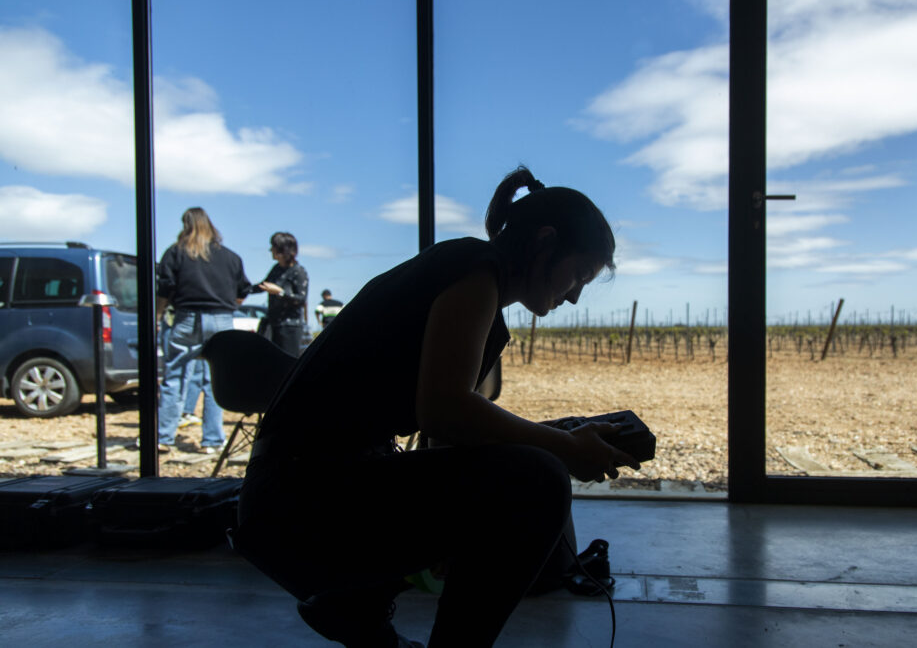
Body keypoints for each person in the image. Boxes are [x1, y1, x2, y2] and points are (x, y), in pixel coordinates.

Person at [234, 166, 639, 648]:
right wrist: (565, 448)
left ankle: (358, 602)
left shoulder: (475, 286)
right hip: (297, 505)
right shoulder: (474, 270)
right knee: (540, 481)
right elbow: (444, 410)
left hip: (295, 496)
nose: (573, 295)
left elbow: (450, 436)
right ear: (545, 242)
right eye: (577, 275)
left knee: (521, 481)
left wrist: (559, 443)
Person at [156, 208, 251, 454]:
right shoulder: (230, 257)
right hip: (221, 320)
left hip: (187, 318)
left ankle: (164, 438)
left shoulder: (176, 253)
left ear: (185, 225)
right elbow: (242, 291)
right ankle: (212, 440)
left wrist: (158, 316)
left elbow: (164, 289)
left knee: (175, 377)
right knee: (214, 381)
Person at [256, 232, 309, 357]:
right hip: (274, 325)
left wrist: (280, 292)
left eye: (273, 247)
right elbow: (263, 285)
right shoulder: (276, 269)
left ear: (283, 250)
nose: (270, 250)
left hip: (290, 328)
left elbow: (301, 299)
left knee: (287, 363)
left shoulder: (298, 272)